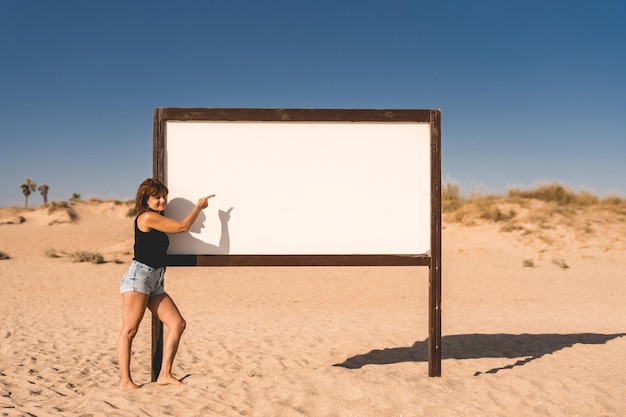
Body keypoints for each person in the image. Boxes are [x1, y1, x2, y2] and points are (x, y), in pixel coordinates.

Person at [117, 178, 215, 389]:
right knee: (130, 330)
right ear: (146, 199)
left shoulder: (157, 219)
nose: (162, 201)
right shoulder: (146, 217)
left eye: (164, 196)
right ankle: (125, 381)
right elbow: (182, 227)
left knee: (177, 324)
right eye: (157, 197)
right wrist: (198, 207)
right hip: (139, 277)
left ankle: (164, 374)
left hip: (155, 280)